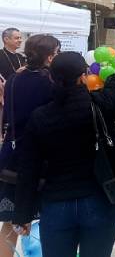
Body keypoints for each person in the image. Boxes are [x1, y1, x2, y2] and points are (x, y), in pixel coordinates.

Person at [12, 16, 115, 257]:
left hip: (56, 205)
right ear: (83, 76)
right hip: (99, 200)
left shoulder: (40, 117)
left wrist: (22, 214)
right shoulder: (101, 104)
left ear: (52, 77)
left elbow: (29, 168)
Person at [0, 35, 60, 257]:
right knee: (49, 218)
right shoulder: (51, 82)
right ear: (50, 56)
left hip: (12, 154)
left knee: (11, 222)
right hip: (41, 158)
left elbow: (7, 114)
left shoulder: (14, 78)